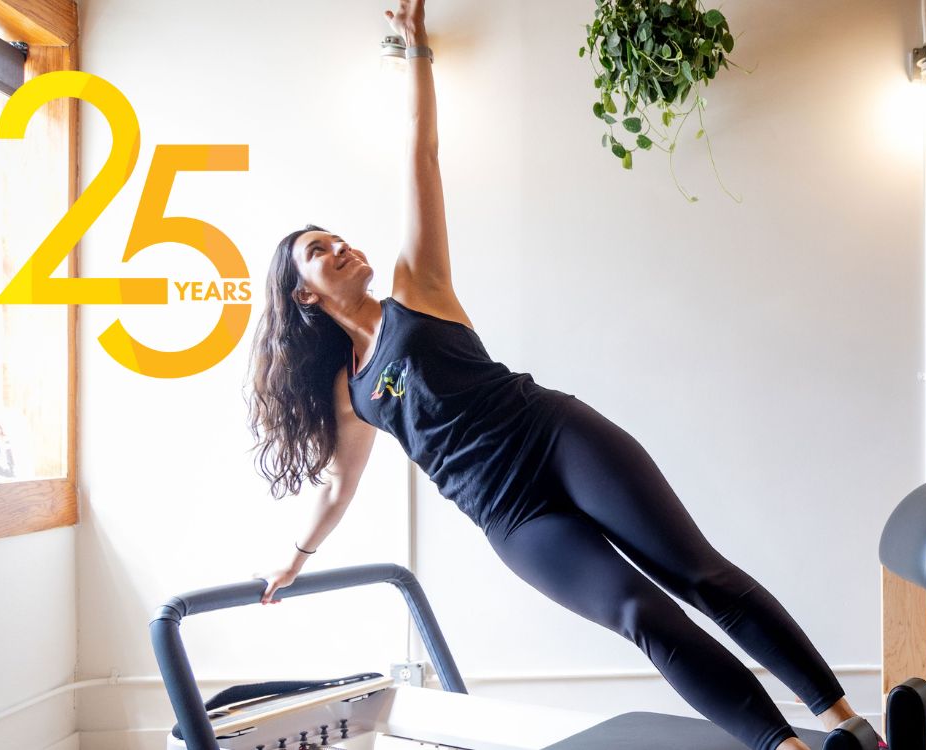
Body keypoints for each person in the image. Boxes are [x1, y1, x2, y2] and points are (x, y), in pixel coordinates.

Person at [246, 3, 869, 749]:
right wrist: (293, 560)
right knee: (642, 616)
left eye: (340, 236)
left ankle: (848, 725)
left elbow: (423, 156)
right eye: (321, 250)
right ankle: (786, 747)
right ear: (303, 294)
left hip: (555, 437)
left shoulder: (418, 287)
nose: (342, 246)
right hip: (511, 517)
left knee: (701, 575)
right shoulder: (350, 393)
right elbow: (338, 487)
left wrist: (416, 55)